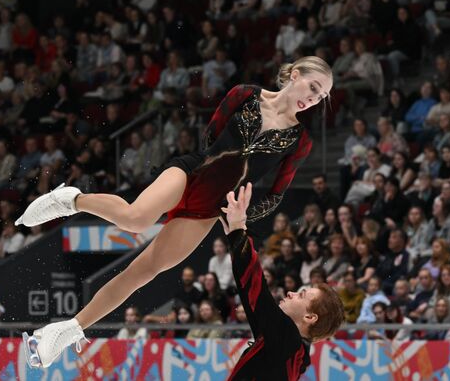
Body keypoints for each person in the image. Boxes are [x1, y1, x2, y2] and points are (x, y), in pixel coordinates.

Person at [19, 57, 334, 368]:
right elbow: (211, 137)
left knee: (143, 272)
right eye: (313, 87)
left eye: (320, 96)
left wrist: (240, 216)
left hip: (210, 208)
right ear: (294, 75)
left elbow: (277, 193)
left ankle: (67, 329)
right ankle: (72, 199)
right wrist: (212, 173)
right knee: (136, 218)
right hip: (191, 173)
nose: (313, 98)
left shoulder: (300, 140)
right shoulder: (245, 94)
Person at [221, 184, 343, 379]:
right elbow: (250, 296)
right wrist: (238, 233)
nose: (291, 293)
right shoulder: (293, 351)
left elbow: (256, 288)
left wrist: (237, 231)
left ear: (310, 318)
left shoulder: (286, 339)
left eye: (302, 295)